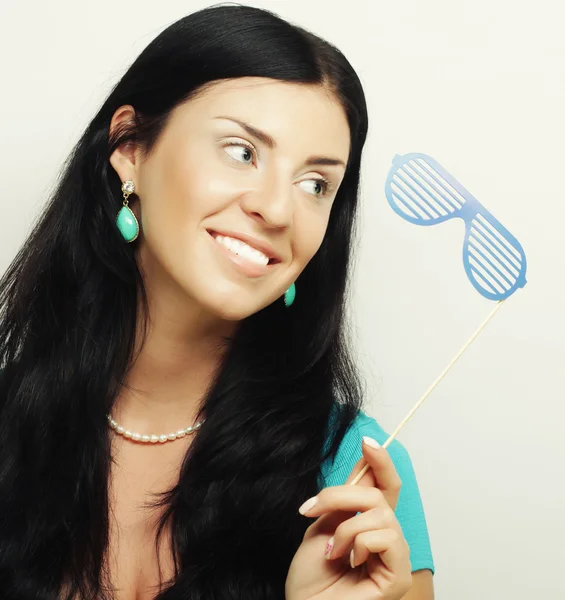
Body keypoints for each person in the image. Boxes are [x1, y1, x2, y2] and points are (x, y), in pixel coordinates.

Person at [0, 3, 434, 599]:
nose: (278, 211)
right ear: (129, 144)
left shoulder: (353, 479)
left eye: (316, 185)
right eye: (242, 151)